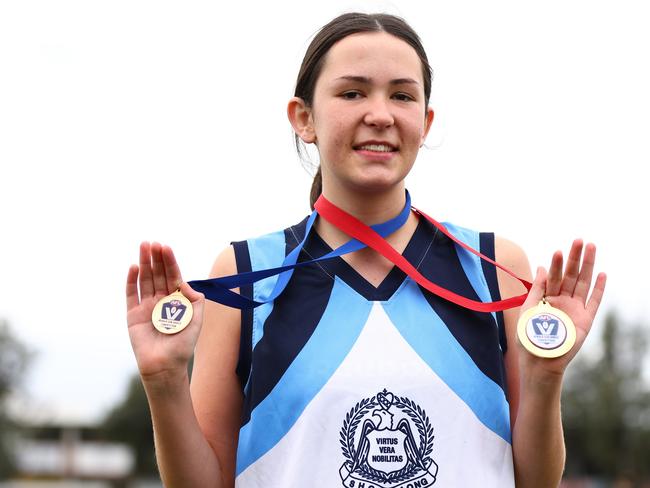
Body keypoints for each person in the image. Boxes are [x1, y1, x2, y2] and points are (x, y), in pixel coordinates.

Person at [125, 12, 606, 488]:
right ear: (304, 118)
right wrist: (164, 381)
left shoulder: (492, 267)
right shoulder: (249, 272)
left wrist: (546, 378)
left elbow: (534, 481)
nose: (380, 114)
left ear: (425, 120)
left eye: (402, 95)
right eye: (352, 92)